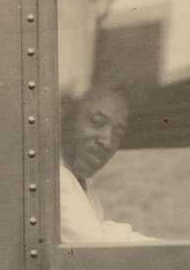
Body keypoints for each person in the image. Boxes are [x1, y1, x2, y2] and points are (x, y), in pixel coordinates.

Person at [58, 85, 153, 244]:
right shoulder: (53, 178)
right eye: (97, 122)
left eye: (118, 133)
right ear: (67, 119)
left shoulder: (83, 186)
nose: (107, 141)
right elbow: (95, 247)